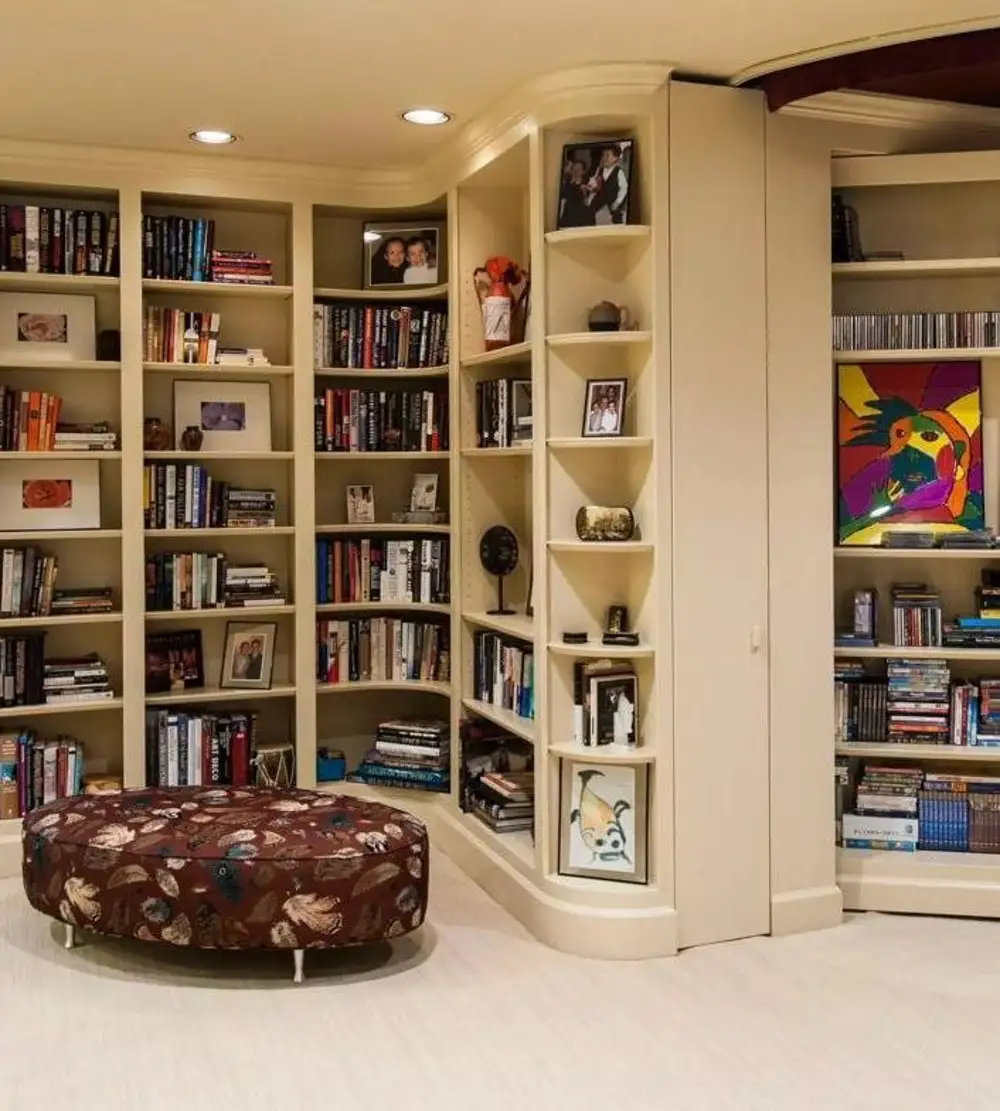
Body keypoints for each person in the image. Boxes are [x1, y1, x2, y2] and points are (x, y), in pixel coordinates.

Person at [590, 144, 629, 225]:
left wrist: (617, 202)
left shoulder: (618, 171)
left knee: (616, 220)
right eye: (603, 155)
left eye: (607, 155)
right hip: (599, 202)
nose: (604, 158)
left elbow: (624, 188)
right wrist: (592, 186)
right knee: (590, 213)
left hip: (612, 202)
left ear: (615, 158)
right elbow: (594, 183)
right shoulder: (600, 170)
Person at [559, 158, 595, 228]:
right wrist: (571, 182)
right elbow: (563, 196)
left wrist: (584, 192)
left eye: (579, 169)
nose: (576, 171)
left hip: (582, 217)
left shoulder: (588, 183)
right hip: (568, 217)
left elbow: (587, 203)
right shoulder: (567, 183)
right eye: (574, 169)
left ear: (583, 171)